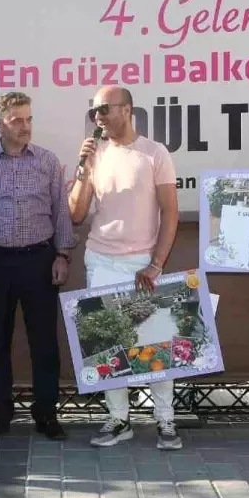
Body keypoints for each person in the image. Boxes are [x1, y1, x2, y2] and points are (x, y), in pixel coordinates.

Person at [68, 86, 181, 450]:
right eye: (94, 111)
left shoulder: (154, 153)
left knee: (156, 342)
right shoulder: (94, 153)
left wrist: (156, 263)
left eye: (105, 109)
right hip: (100, 259)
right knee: (106, 346)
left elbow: (171, 211)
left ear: (128, 110)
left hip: (141, 262)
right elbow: (76, 214)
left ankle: (166, 421)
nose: (98, 117)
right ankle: (118, 420)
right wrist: (84, 169)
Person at [0, 92, 74, 441]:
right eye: (17, 120)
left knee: (44, 341)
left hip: (39, 262)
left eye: (28, 119)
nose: (25, 126)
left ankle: (47, 414)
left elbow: (61, 213)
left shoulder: (47, 161)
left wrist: (62, 256)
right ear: (0, 124)